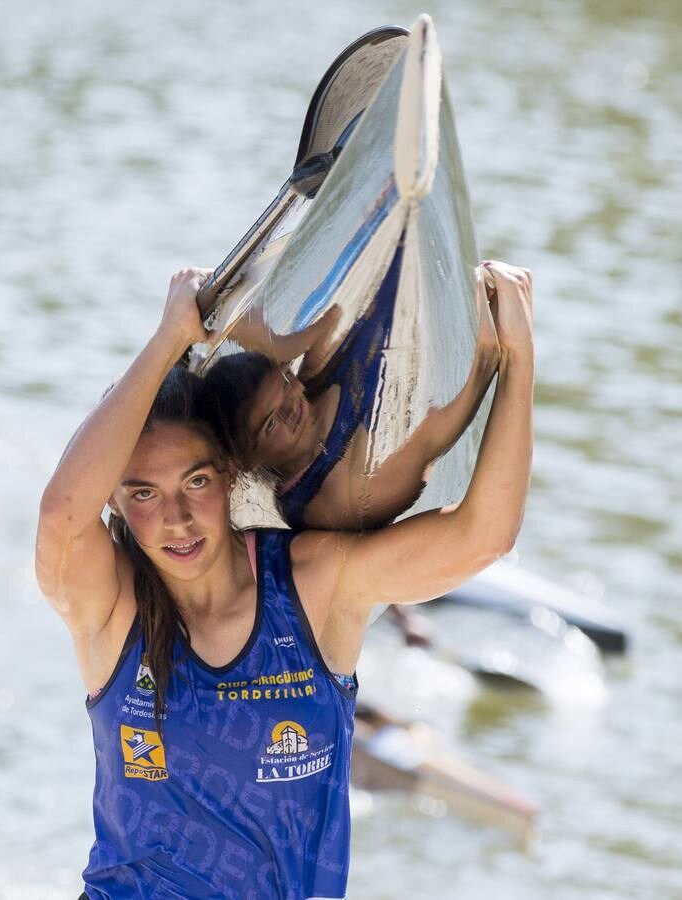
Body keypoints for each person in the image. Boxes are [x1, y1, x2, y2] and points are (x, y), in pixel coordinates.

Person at [35, 260, 533, 899]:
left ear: (230, 475)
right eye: (142, 494)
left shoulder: (315, 584)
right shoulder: (112, 610)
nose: (176, 519)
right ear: (115, 504)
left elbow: (483, 535)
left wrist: (518, 360)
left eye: (196, 482)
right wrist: (167, 344)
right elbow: (59, 517)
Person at [204, 249, 501, 532]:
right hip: (443, 310)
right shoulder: (337, 498)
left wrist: (284, 344)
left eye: (284, 383)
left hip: (415, 278)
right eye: (271, 423)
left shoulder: (307, 387)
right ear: (245, 459)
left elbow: (335, 312)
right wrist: (489, 339)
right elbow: (438, 429)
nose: (292, 405)